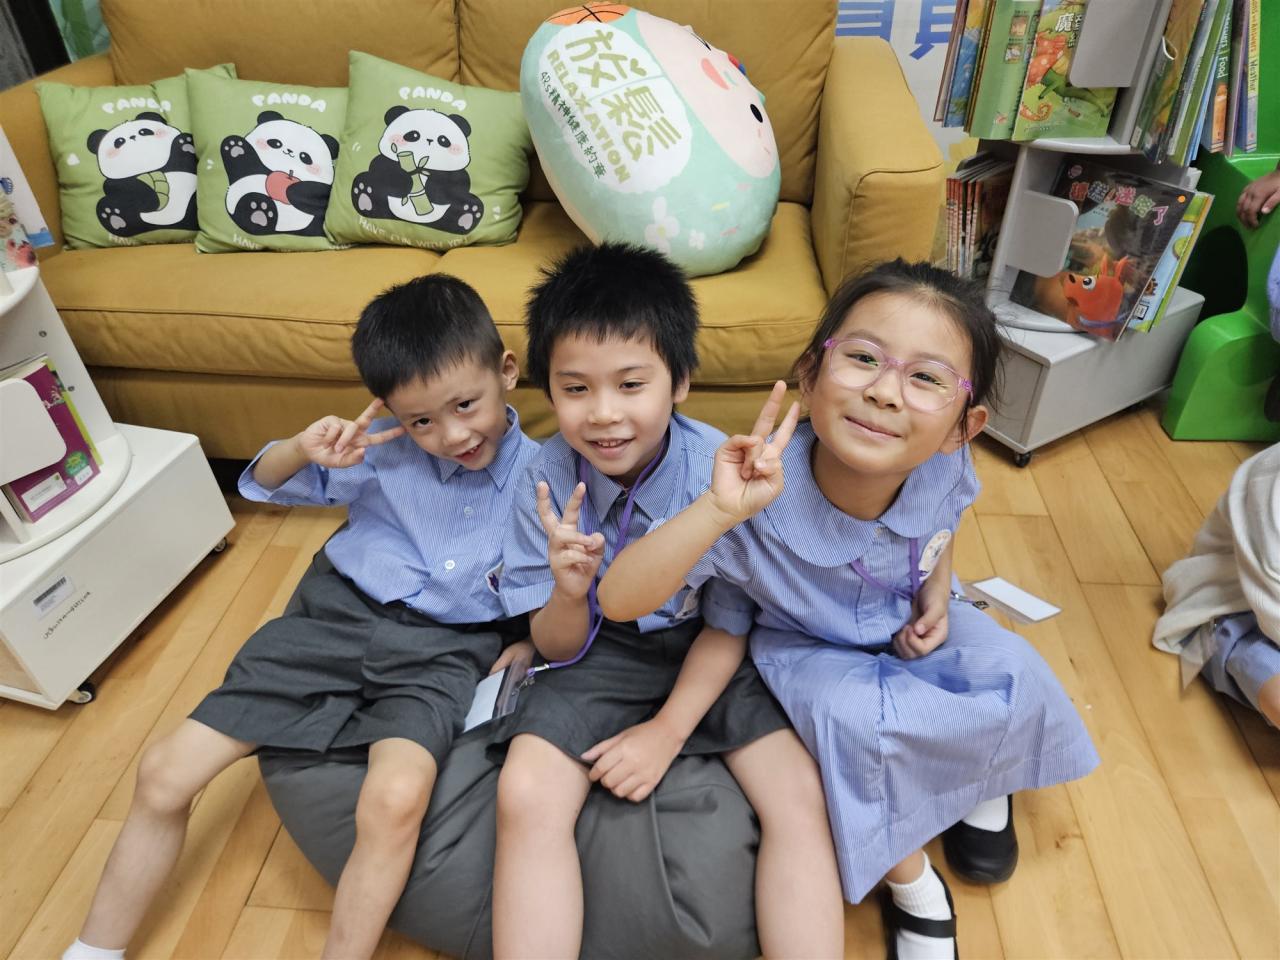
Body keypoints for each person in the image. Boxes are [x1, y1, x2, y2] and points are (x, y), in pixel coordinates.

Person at [600, 259, 1101, 960]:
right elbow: (623, 600)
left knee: (1016, 670)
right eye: (863, 358)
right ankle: (915, 885)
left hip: (908, 617)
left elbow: (941, 525)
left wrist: (937, 590)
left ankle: (988, 788)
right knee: (854, 728)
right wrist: (715, 511)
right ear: (810, 375)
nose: (884, 392)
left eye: (926, 378)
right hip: (810, 652)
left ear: (963, 426)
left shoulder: (947, 465)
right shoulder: (754, 497)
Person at [64, 275, 539, 960]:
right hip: (332, 621)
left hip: (443, 651)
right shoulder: (380, 451)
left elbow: (553, 583)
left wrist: (527, 640)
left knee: (395, 800)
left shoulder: (546, 475)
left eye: (466, 405)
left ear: (507, 371)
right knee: (164, 772)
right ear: (393, 413)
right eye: (421, 421)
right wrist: (300, 447)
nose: (452, 434)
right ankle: (91, 951)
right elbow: (265, 484)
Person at [490, 242, 843, 960]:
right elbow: (557, 645)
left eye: (631, 385)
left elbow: (731, 624)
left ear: (680, 381)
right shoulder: (542, 479)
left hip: (708, 648)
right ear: (547, 389)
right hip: (599, 653)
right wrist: (567, 595)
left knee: (800, 794)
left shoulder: (722, 473)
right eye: (575, 388)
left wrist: (668, 731)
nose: (603, 415)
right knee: (524, 790)